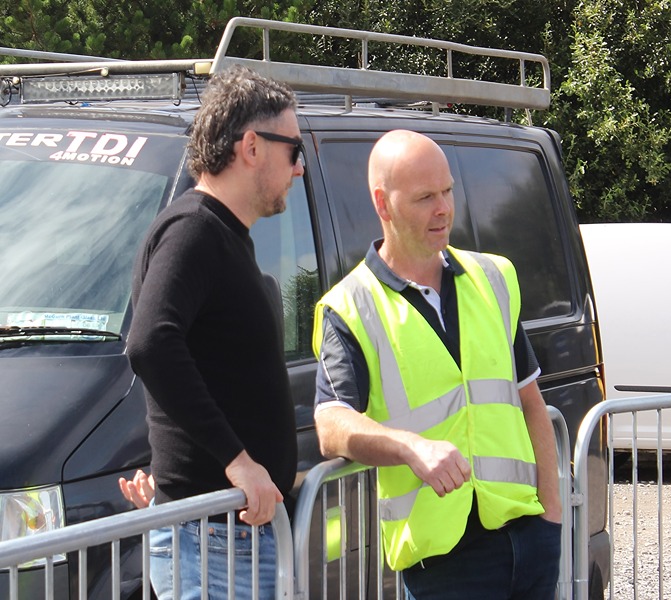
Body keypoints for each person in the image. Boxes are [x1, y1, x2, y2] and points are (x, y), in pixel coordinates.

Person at [312, 130, 562, 600]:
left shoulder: (494, 277)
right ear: (383, 204)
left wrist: (552, 517)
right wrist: (411, 447)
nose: (444, 208)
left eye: (447, 191)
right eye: (425, 197)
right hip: (443, 565)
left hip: (529, 539)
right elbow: (331, 424)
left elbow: (531, 402)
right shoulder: (350, 306)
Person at [124, 64, 302, 599]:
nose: (299, 168)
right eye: (293, 150)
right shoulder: (193, 230)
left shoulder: (220, 235)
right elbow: (151, 343)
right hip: (214, 541)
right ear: (252, 146)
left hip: (224, 535)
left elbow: (207, 365)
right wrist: (238, 462)